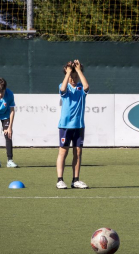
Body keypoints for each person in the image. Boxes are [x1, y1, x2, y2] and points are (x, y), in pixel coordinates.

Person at [56, 59, 90, 189]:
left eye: (75, 77)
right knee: (63, 152)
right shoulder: (63, 85)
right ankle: (60, 180)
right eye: (72, 76)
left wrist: (79, 71)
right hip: (65, 125)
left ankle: (75, 180)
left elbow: (87, 87)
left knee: (78, 152)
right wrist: (68, 72)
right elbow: (63, 88)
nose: (73, 79)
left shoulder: (81, 87)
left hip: (79, 126)